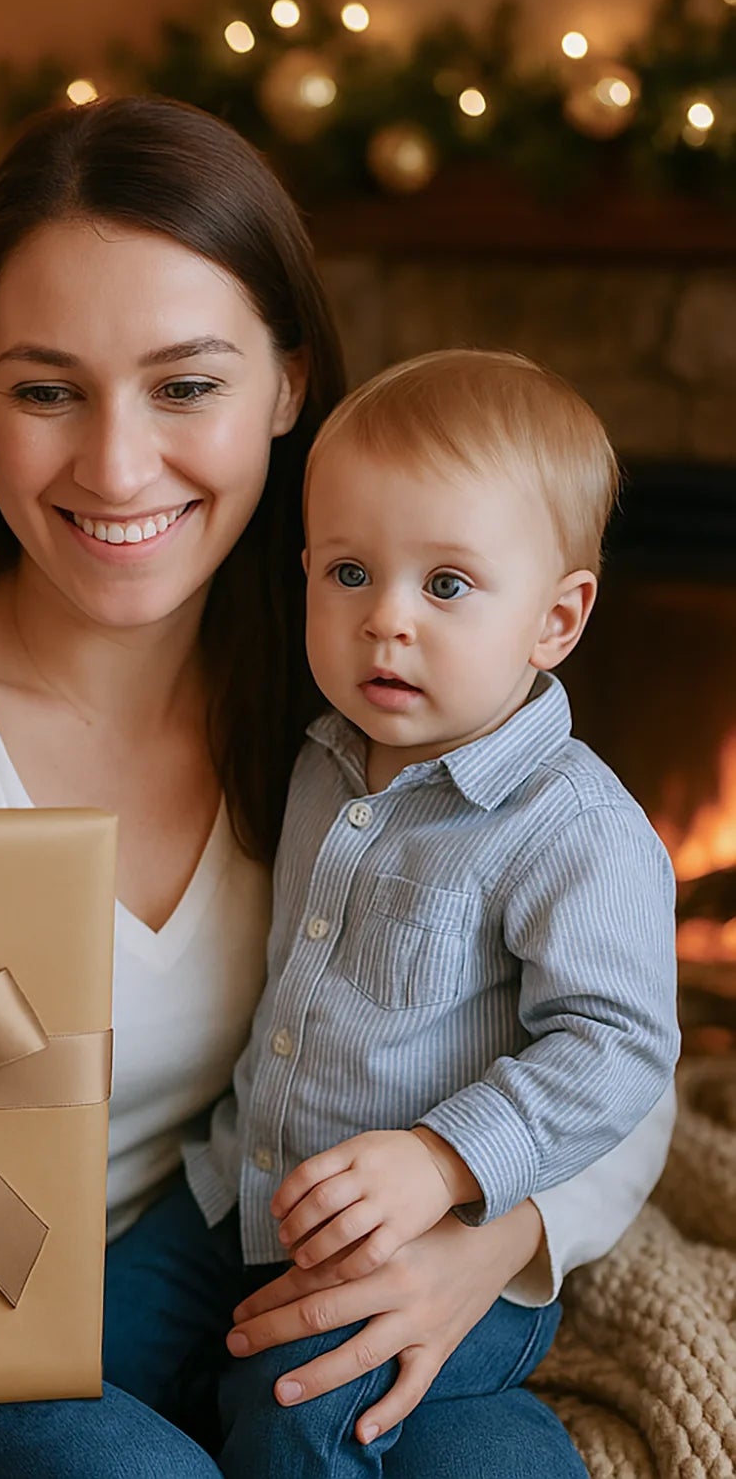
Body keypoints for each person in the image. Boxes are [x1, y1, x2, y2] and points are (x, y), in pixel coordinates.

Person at [0, 97, 676, 1477]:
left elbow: (621, 1055)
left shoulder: (357, 701)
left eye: (185, 386)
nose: (116, 466)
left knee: (505, 1462)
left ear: (289, 385)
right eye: (45, 390)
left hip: (331, 1268)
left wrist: (492, 1242)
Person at [193, 348, 679, 1477]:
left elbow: (619, 1046)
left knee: (296, 1414)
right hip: (240, 1188)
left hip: (434, 1235)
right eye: (350, 574)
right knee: (94, 1338)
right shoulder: (319, 757)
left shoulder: (575, 830)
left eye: (447, 585)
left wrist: (444, 1160)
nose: (385, 623)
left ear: (556, 620)